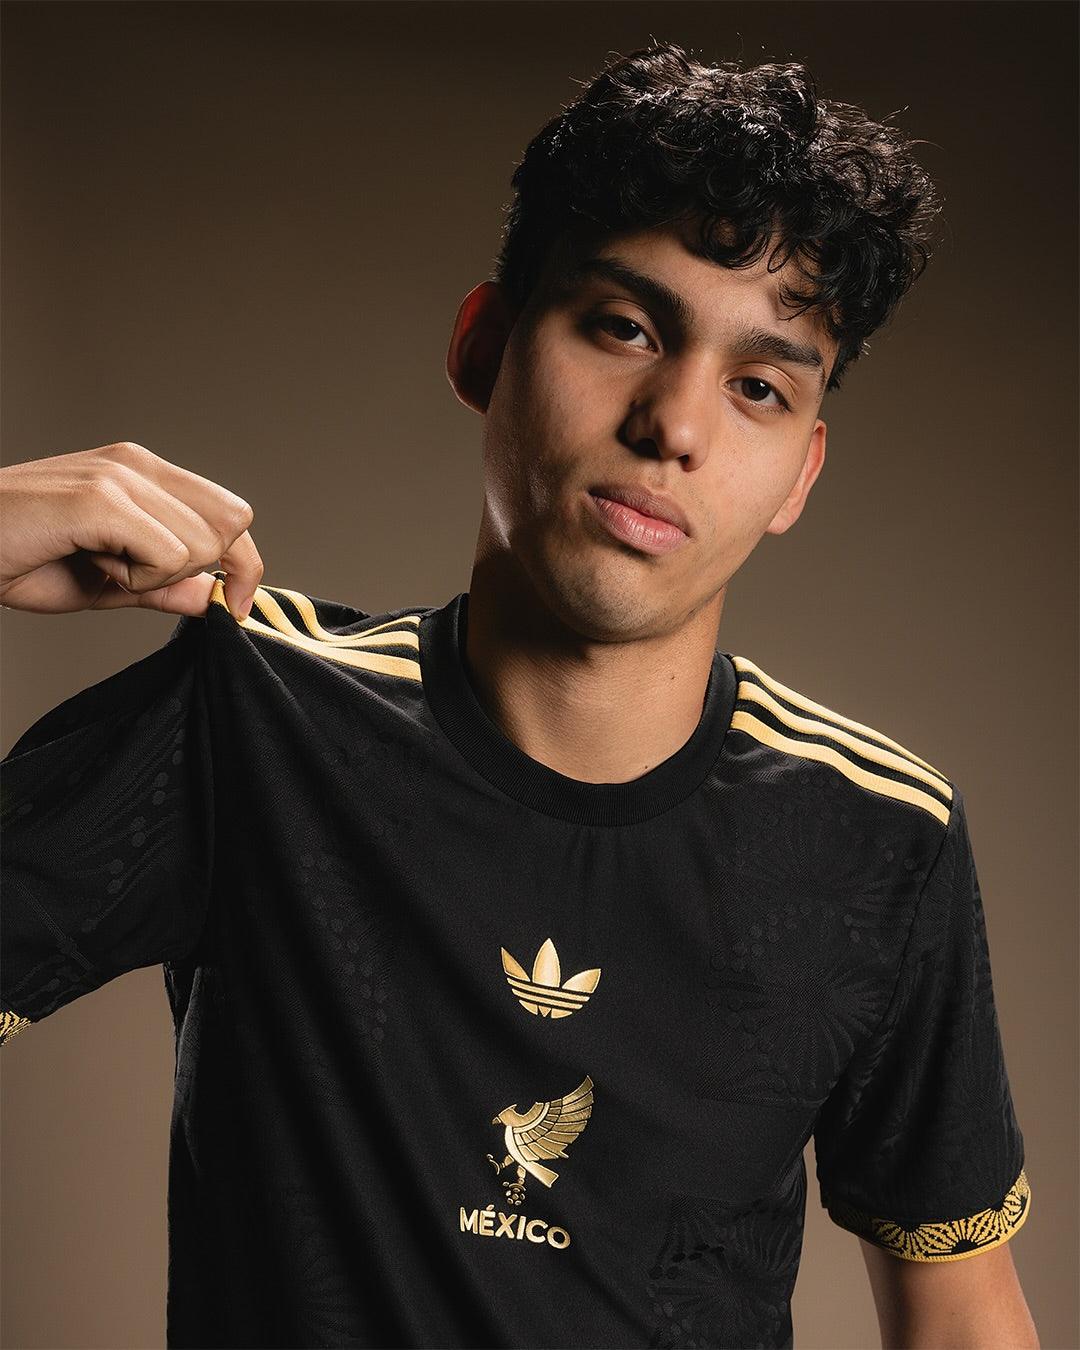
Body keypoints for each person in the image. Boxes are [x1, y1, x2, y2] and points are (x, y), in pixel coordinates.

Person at [0, 38, 1038, 1350]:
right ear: (484, 346)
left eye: (758, 387)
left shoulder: (880, 837)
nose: (675, 425)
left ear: (800, 474)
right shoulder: (255, 714)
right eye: (625, 327)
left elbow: (962, 1320)